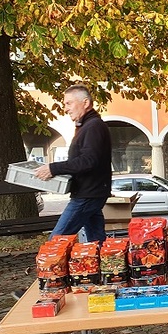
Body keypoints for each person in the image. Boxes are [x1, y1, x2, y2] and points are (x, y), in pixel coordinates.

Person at [35, 84, 112, 243]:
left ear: (86, 103)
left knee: (56, 242)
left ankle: (51, 263)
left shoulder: (93, 126)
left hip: (87, 194)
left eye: (69, 103)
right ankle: (103, 259)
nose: (66, 109)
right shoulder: (88, 125)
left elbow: (88, 161)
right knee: (96, 242)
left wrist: (53, 168)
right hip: (90, 193)